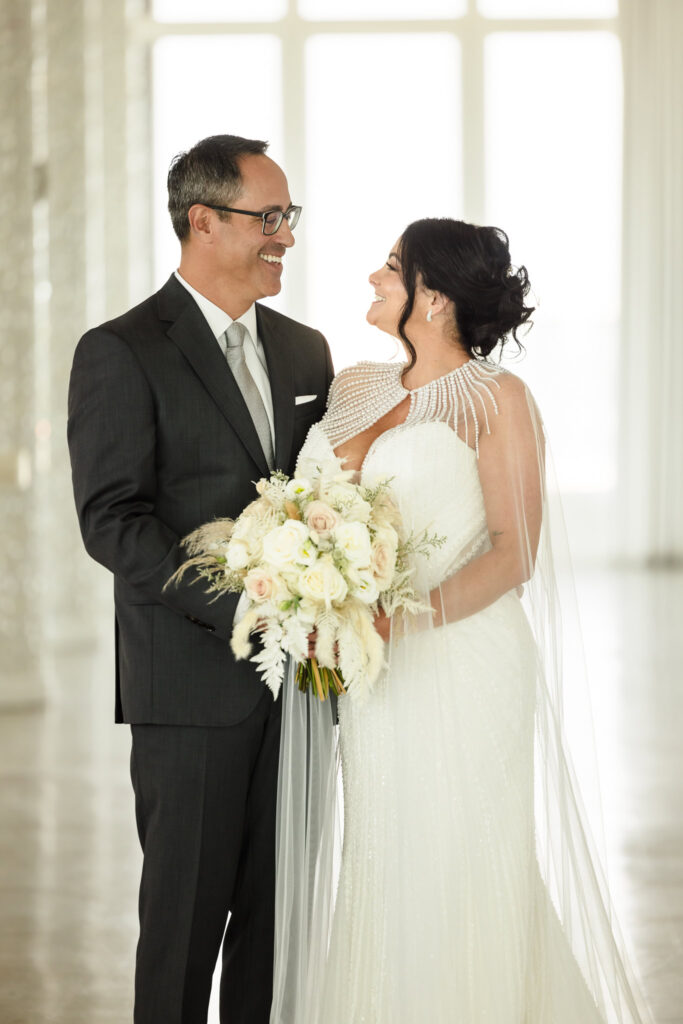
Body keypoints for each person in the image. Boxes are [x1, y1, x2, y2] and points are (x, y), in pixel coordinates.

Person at [270, 219, 651, 1022]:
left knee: (461, 863)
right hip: (372, 680)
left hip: (460, 659)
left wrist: (396, 622)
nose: (373, 279)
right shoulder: (351, 387)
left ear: (433, 297)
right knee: (383, 862)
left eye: (390, 268)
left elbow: (514, 555)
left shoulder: (496, 399)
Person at [67, 134, 333, 1024]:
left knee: (276, 932)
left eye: (287, 217)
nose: (285, 237)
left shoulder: (306, 351)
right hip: (187, 691)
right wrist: (248, 602)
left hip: (300, 694)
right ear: (202, 220)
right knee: (181, 934)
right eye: (269, 218)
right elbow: (113, 520)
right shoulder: (121, 350)